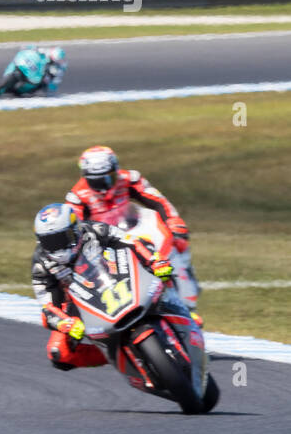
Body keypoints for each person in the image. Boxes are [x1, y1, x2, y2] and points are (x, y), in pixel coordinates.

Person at [30, 202, 184, 370]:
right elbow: (47, 306)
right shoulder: (40, 264)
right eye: (49, 242)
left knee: (159, 266)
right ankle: (112, 355)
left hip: (115, 275)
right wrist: (65, 323)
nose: (57, 247)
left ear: (74, 230)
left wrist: (154, 260)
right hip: (79, 302)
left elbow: (129, 240)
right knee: (58, 353)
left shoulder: (92, 230)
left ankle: (178, 308)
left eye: (61, 239)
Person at [65, 144, 196, 295]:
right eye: (97, 181)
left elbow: (159, 201)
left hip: (135, 228)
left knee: (178, 237)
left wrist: (173, 221)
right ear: (86, 177)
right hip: (107, 242)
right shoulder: (76, 197)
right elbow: (75, 231)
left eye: (110, 178)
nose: (105, 187)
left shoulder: (130, 178)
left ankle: (186, 284)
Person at [0, 47, 66, 98]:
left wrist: (49, 78)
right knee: (14, 63)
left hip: (37, 78)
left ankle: (21, 91)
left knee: (41, 84)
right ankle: (6, 82)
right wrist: (27, 49)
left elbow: (54, 83)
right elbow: (28, 48)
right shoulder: (43, 51)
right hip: (28, 66)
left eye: (54, 59)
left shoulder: (56, 67)